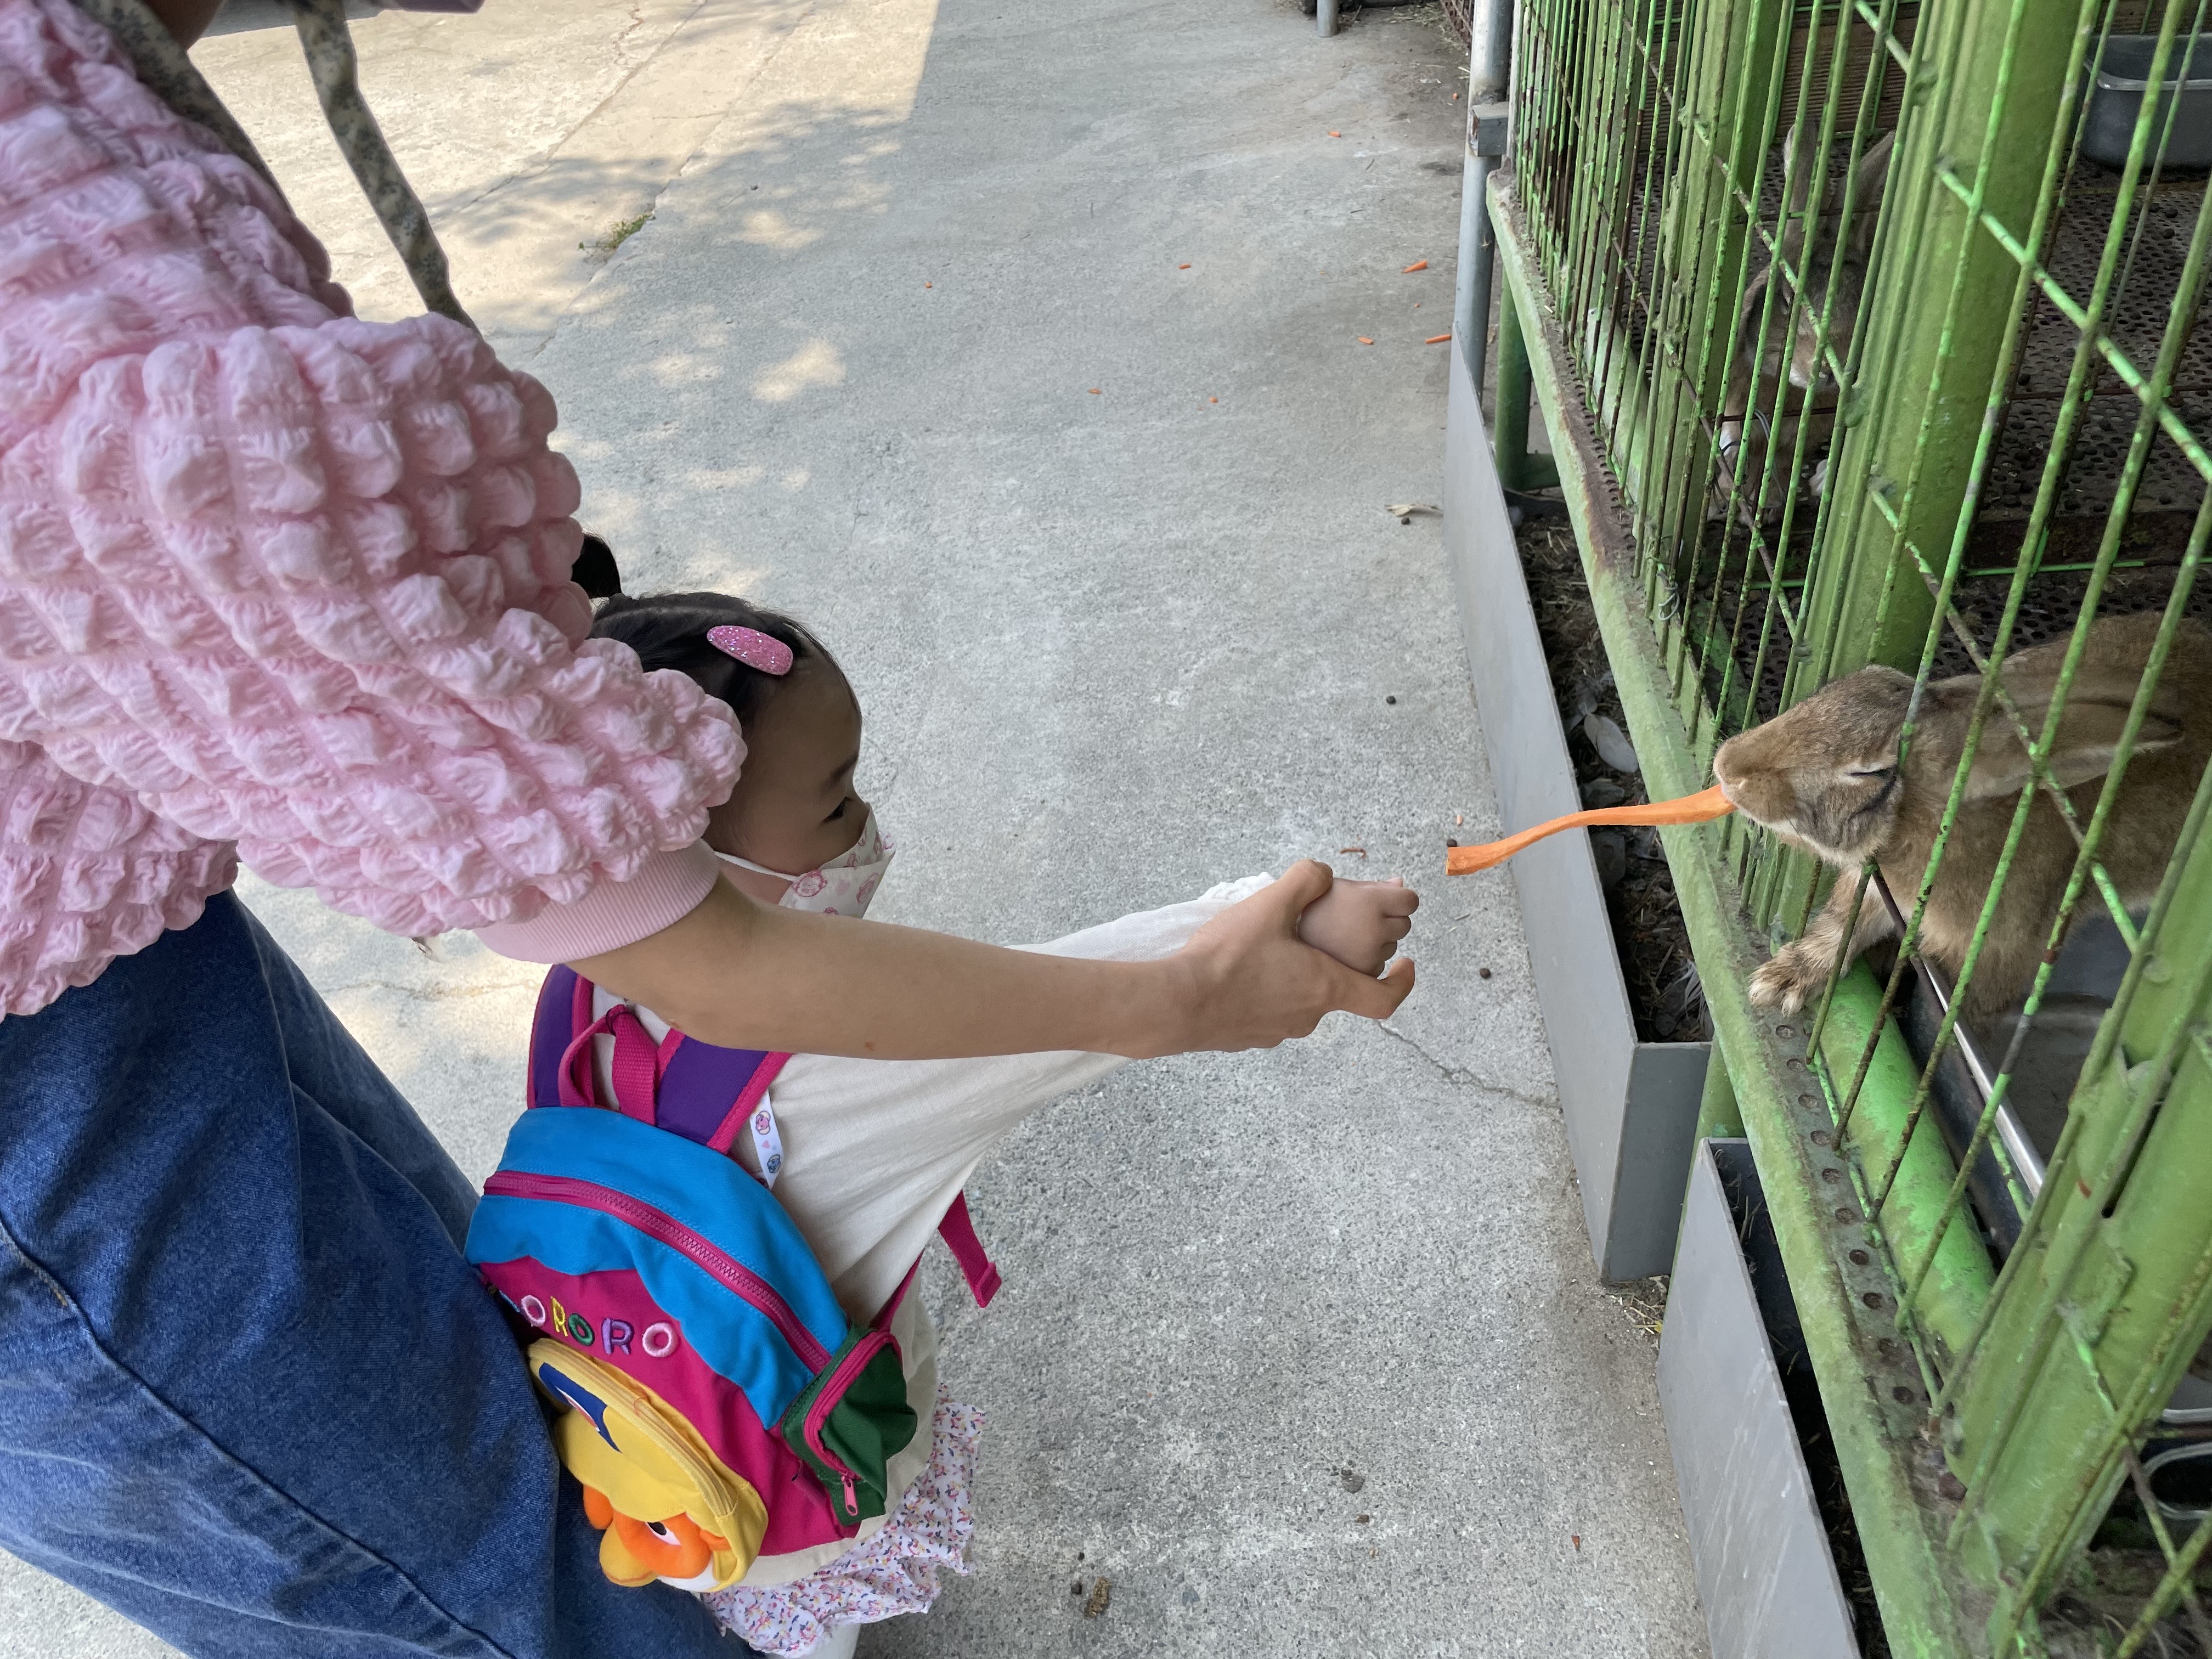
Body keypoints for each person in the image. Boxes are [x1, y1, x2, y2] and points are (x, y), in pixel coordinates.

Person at [0, 3, 1414, 1656]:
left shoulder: (589, 1011)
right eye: (839, 804)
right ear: (680, 826)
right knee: (480, 1591)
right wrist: (1207, 971)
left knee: (472, 1407)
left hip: (123, 960)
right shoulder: (105, 314)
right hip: (51, 1095)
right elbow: (829, 997)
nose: (868, 833)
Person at [566, 592, 1415, 1656]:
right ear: (697, 854)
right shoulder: (829, 1068)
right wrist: (1290, 922)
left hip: (642, 1422)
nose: (868, 829)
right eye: (835, 807)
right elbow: (1088, 994)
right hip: (792, 1490)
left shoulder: (583, 985)